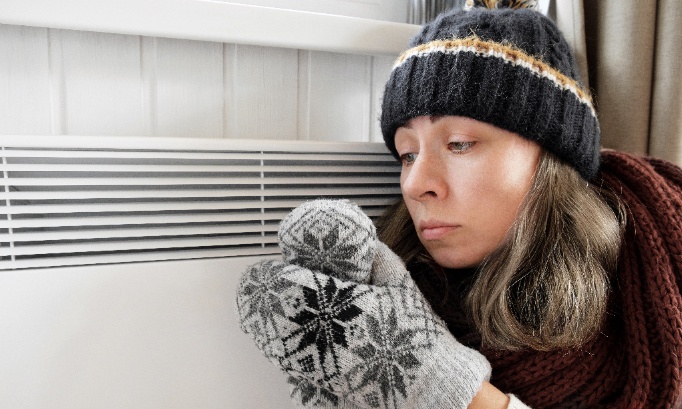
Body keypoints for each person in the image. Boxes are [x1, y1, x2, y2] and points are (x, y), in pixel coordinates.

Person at [237, 0, 682, 407]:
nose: (415, 184)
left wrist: (455, 393)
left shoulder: (653, 277)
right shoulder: (388, 298)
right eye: (407, 153)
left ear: (552, 159)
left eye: (460, 144)